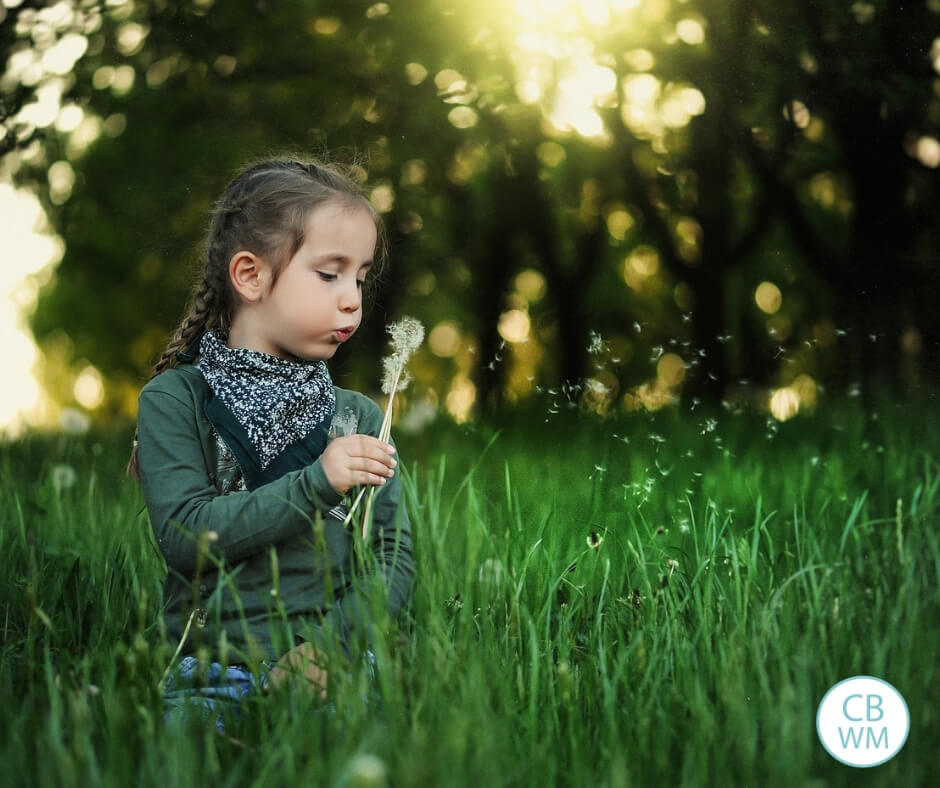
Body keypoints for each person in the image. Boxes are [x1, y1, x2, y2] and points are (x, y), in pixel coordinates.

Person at [128, 158, 413, 726]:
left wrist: (330, 649)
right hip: (213, 665)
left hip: (335, 661)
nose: (353, 298)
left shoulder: (358, 416)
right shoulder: (174, 401)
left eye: (360, 277)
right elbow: (187, 538)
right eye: (330, 274)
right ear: (251, 276)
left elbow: (392, 556)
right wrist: (318, 483)